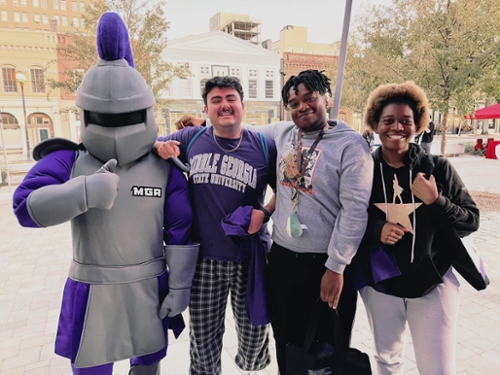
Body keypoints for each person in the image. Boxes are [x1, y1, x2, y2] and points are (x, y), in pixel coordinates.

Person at [12, 13, 199, 375]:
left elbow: (181, 230)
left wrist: (179, 287)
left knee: (147, 368)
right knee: (91, 367)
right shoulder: (69, 160)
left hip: (148, 285)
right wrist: (81, 191)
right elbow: (25, 207)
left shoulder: (165, 164)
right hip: (92, 286)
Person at [171, 70, 374, 374]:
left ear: (326, 98)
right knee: (288, 344)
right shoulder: (282, 133)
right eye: (294, 103)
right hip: (282, 260)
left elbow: (355, 210)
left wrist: (337, 265)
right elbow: (239, 129)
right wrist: (203, 126)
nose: (302, 107)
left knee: (328, 348)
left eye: (309, 99)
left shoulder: (350, 145)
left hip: (327, 264)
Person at [155, 76, 277, 375]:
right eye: (216, 100)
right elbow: (150, 143)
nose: (225, 105)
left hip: (249, 258)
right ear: (206, 109)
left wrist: (265, 211)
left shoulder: (264, 145)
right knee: (203, 340)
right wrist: (159, 147)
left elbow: (286, 190)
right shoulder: (190, 139)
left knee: (254, 339)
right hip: (204, 260)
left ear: (242, 106)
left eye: (231, 98)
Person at [356, 81, 479, 375]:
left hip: (433, 284)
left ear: (418, 124)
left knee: (437, 369)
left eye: (405, 121)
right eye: (388, 120)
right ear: (375, 123)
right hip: (381, 286)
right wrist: (376, 230)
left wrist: (436, 200)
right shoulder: (361, 169)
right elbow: (345, 217)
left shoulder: (437, 168)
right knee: (386, 361)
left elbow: (471, 220)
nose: (396, 127)